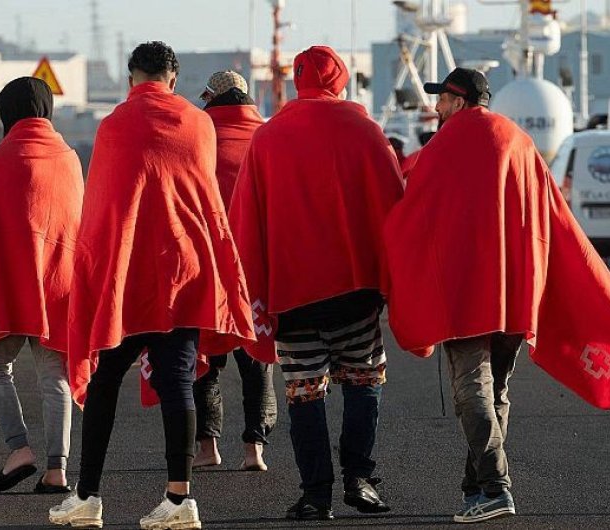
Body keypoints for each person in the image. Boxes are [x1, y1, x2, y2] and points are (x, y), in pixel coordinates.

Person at [383, 68, 610, 523]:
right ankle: (476, 489)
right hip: (514, 294)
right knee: (497, 389)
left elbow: (412, 216)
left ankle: (495, 487)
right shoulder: (519, 140)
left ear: (460, 101)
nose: (437, 107)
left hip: (464, 294)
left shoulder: (443, 147)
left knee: (471, 388)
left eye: (442, 99)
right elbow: (551, 215)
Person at [48, 41, 255, 530]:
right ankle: (179, 499)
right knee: (179, 382)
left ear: (131, 79)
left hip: (127, 276)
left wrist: (92, 271)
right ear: (173, 79)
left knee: (104, 381)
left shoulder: (114, 125)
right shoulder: (199, 124)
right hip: (184, 270)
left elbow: (103, 208)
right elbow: (206, 200)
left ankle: (88, 496)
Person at [229, 45, 403, 520]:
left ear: (298, 80)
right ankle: (360, 477)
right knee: (364, 380)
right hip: (356, 290)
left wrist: (253, 292)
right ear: (340, 80)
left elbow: (246, 220)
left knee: (304, 393)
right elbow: (394, 205)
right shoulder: (365, 132)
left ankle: (315, 494)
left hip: (291, 297)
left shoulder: (267, 138)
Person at [0, 77, 82, 494]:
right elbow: (75, 223)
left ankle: (19, 449)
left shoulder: (2, 157)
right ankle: (57, 470)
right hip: (58, 285)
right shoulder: (68, 158)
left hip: (11, 288)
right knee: (55, 377)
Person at [192, 70, 276, 472]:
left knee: (205, 358)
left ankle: (207, 447)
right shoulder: (265, 137)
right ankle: (253, 449)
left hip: (206, 264)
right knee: (255, 357)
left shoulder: (199, 136)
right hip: (254, 265)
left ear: (213, 99)